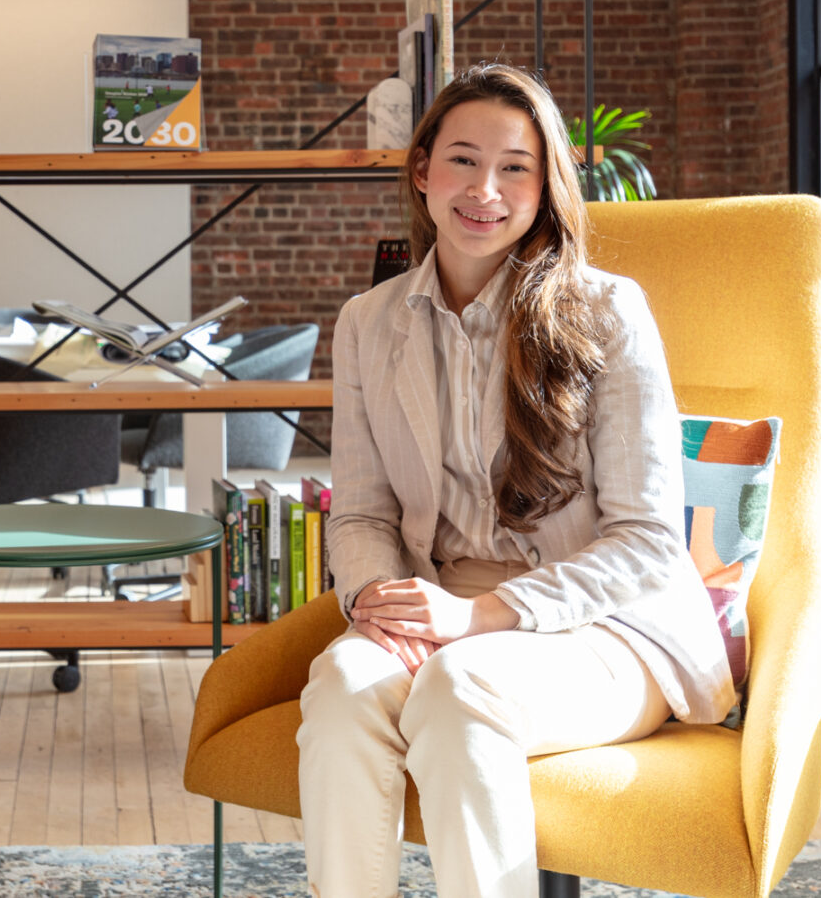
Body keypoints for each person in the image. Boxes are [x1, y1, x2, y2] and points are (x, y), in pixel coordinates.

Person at [298, 63, 733, 898]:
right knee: (345, 684)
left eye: (515, 167)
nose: (484, 189)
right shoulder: (367, 322)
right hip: (438, 608)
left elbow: (646, 542)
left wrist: (480, 617)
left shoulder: (609, 309)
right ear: (422, 170)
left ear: (545, 184)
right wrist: (381, 603)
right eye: (462, 160)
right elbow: (358, 511)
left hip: (607, 625)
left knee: (464, 687)